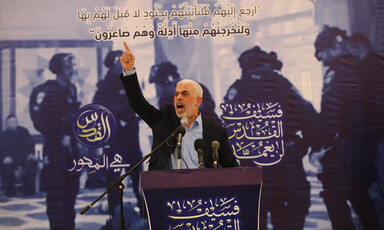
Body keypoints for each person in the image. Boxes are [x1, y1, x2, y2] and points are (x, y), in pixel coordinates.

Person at [223, 46, 317, 230]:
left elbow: (227, 127)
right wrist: (302, 146)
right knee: (292, 206)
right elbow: (310, 116)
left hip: (251, 162)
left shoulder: (237, 88)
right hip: (284, 157)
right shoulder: (283, 85)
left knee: (254, 212)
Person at [119, 42, 238, 170]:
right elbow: (138, 103)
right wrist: (129, 70)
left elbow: (232, 170)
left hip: (205, 187)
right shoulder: (163, 120)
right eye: (176, 95)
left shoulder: (215, 131)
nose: (178, 98)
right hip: (167, 187)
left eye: (184, 95)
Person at [311, 25, 381, 230]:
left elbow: (333, 115)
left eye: (322, 52)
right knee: (359, 193)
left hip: (346, 145)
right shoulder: (360, 66)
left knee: (334, 195)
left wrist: (322, 147)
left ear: (332, 47)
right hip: (364, 143)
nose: (321, 58)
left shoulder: (338, 71)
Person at [91, 50, 144, 228]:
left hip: (131, 138)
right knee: (113, 181)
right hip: (114, 140)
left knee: (138, 176)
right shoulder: (104, 86)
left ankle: (144, 212)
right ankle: (115, 214)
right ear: (112, 64)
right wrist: (118, 116)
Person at [29, 53, 81, 230]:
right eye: (68, 67)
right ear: (57, 69)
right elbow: (38, 121)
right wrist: (60, 136)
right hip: (55, 149)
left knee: (71, 193)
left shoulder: (72, 89)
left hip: (73, 149)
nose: (72, 71)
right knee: (56, 196)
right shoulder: (44, 90)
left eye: (73, 67)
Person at [149, 61, 222, 125]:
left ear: (169, 80)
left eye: (160, 85)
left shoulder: (195, 90)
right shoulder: (167, 99)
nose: (161, 90)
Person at [0, 115, 36, 197]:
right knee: (6, 166)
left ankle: (29, 191)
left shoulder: (24, 131)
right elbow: (3, 150)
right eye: (11, 122)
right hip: (10, 158)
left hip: (23, 156)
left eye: (14, 122)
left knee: (32, 163)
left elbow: (30, 144)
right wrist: (6, 157)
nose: (13, 124)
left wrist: (31, 153)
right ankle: (11, 192)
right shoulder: (3, 135)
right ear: (7, 124)